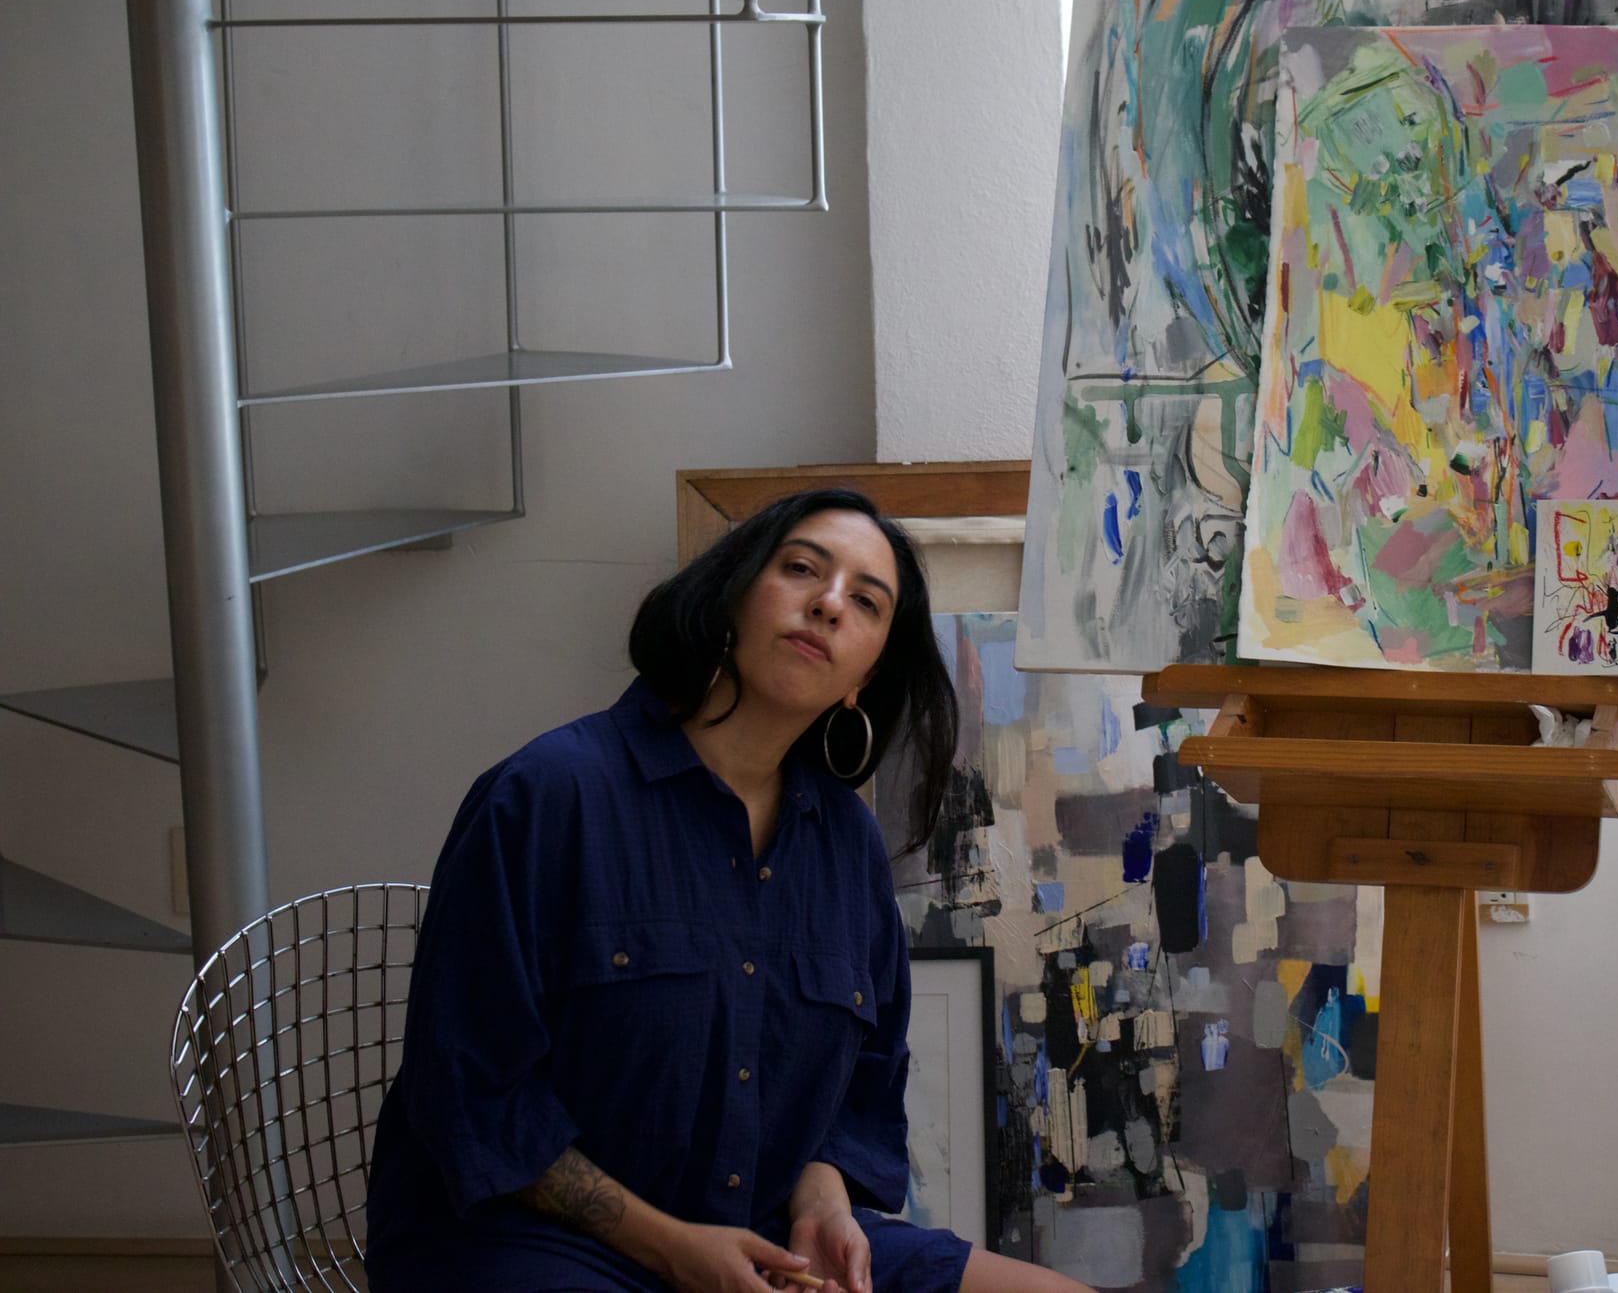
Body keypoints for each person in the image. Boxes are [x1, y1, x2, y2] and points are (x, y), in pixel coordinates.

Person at [364, 489, 1095, 1293]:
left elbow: (864, 1081)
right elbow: (473, 1094)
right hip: (530, 1243)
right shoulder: (549, 795)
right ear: (734, 592)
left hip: (763, 1242)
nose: (828, 603)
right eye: (802, 569)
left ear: (865, 674)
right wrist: (674, 1246)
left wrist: (823, 1203)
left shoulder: (845, 844)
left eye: (865, 601)